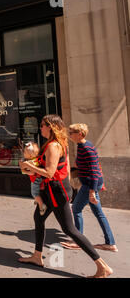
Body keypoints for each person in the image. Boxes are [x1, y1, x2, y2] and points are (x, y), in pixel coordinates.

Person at [18, 115, 113, 278]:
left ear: (51, 127)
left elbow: (49, 172)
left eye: (42, 125)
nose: (40, 127)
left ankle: (102, 266)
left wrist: (28, 166)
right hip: (53, 190)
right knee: (38, 218)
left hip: (56, 192)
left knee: (70, 229)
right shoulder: (56, 143)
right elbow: (65, 167)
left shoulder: (53, 146)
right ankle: (37, 256)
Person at [60, 124, 118, 252]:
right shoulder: (82, 146)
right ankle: (110, 243)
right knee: (98, 213)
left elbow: (94, 171)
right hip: (90, 183)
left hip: (89, 185)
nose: (69, 135)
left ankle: (78, 241)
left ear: (80, 134)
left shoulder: (86, 148)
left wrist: (92, 191)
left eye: (71, 132)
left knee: (76, 209)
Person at [22, 142, 46, 215]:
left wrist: (25, 171)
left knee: (34, 193)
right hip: (38, 178)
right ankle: (38, 199)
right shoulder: (35, 160)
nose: (23, 153)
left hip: (35, 179)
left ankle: (42, 205)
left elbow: (33, 173)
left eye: (25, 152)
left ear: (30, 155)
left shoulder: (31, 163)